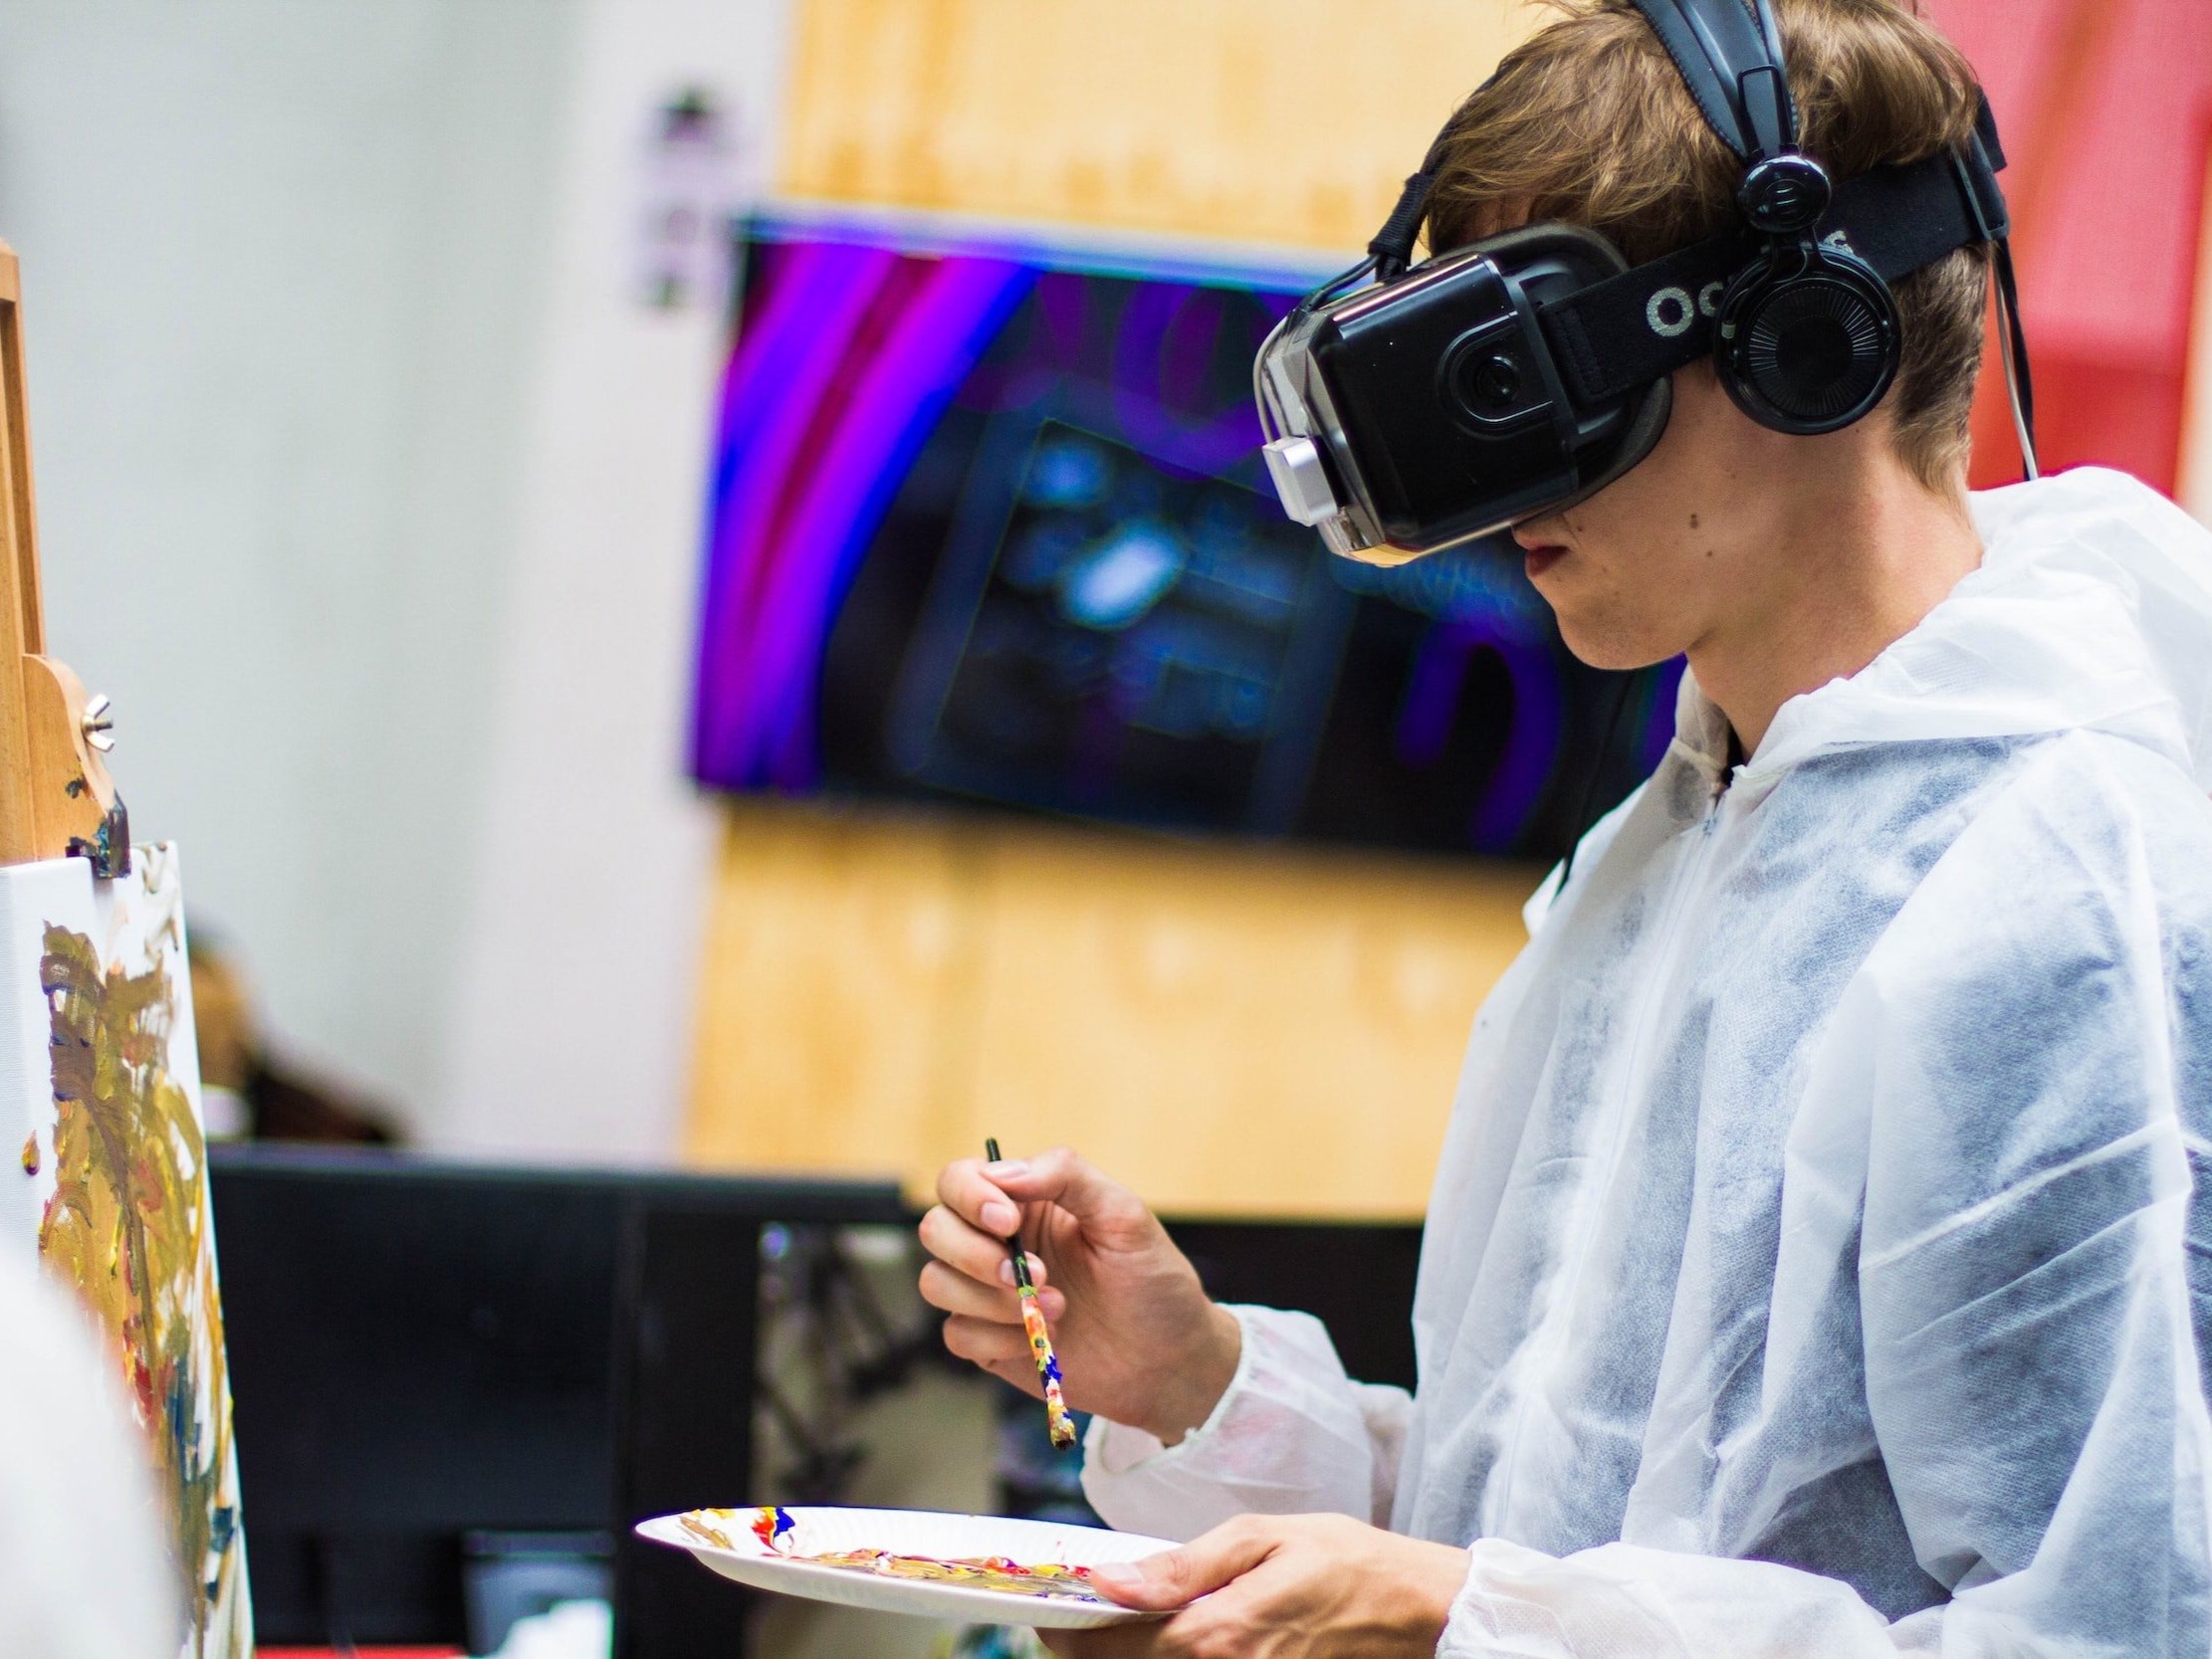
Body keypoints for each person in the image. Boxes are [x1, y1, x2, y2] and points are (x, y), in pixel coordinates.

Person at [918, 1, 2212, 1654]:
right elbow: (1549, 1524)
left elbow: (2129, 1628)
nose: (1493, 488)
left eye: (1541, 390)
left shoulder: (2061, 889)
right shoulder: (1668, 853)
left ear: (1803, 345)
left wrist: (1471, 1625)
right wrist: (1198, 1389)